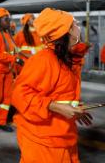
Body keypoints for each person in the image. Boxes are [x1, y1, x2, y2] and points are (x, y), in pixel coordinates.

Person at [12, 8, 93, 162]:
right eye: (75, 24)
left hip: (62, 135)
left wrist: (74, 108)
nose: (79, 27)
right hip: (43, 142)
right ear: (66, 31)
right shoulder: (44, 60)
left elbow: (59, 93)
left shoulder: (67, 58)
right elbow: (19, 94)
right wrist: (56, 107)